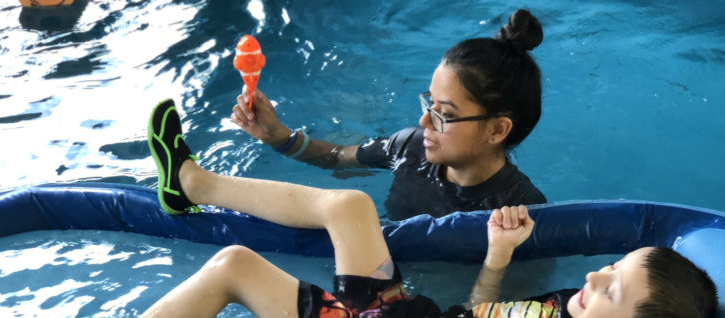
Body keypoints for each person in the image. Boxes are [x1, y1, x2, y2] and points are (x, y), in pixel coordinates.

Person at [0, 100, 716, 318]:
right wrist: (496, 259)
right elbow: (484, 317)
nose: (593, 276)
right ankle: (193, 186)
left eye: (611, 283)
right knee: (352, 209)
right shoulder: (579, 312)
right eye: (608, 266)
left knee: (238, 264)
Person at [229, 9, 551, 220]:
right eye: (430, 104)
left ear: (497, 130)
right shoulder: (408, 147)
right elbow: (336, 157)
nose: (425, 121)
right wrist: (278, 136)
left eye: (445, 114)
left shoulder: (520, 209)